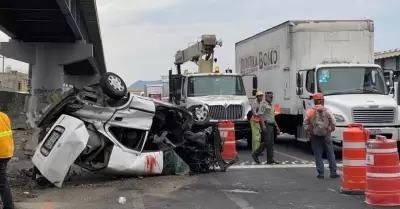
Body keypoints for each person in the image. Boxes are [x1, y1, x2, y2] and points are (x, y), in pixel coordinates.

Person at [303, 93, 340, 179]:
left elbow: (305, 124)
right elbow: (334, 122)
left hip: (315, 135)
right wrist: (330, 128)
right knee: (330, 153)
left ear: (314, 101)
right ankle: (333, 172)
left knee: (318, 154)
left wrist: (310, 130)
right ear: (323, 101)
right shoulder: (327, 111)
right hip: (326, 133)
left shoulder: (310, 111)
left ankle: (321, 173)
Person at [252, 92, 280, 164]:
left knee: (271, 143)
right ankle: (256, 154)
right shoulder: (263, 104)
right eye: (270, 97)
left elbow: (272, 117)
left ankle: (270, 158)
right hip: (266, 124)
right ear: (266, 97)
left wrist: (277, 127)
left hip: (271, 125)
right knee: (267, 141)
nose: (271, 98)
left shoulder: (271, 105)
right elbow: (260, 115)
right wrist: (263, 125)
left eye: (272, 97)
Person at [0, 112, 14, 209]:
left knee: (2, 182)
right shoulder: (3, 115)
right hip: (8, 151)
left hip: (0, 153)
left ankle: (9, 206)